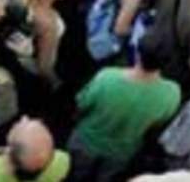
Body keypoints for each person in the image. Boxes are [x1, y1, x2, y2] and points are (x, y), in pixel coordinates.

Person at [68, 32, 181, 182]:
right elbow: (158, 123)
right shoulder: (172, 93)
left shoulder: (107, 78)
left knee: (76, 175)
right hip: (121, 152)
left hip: (87, 142)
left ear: (137, 52)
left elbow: (81, 104)